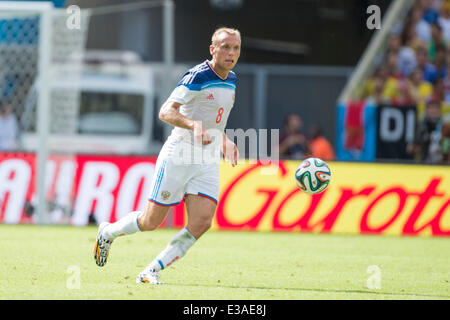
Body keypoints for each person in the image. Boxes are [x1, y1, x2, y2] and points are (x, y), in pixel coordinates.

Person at [93, 27, 241, 285]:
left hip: (206, 160)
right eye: (225, 47)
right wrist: (194, 125)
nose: (231, 53)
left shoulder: (232, 80)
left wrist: (225, 140)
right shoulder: (197, 76)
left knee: (202, 221)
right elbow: (166, 112)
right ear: (212, 49)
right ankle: (108, 232)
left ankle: (150, 271)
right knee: (151, 221)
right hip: (179, 154)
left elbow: (215, 120)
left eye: (236, 48)